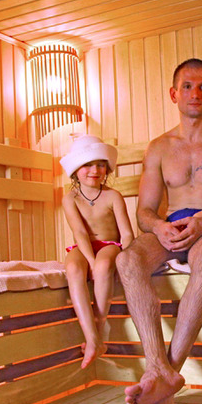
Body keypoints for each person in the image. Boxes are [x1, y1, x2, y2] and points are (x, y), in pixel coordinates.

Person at [116, 58, 202, 404]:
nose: (195, 93)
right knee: (127, 259)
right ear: (174, 94)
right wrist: (159, 226)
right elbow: (144, 212)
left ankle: (163, 378)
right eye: (187, 86)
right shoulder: (159, 148)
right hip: (173, 226)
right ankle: (158, 368)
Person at [60, 135, 135, 369]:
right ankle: (91, 337)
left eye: (101, 165)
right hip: (84, 246)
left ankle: (99, 329)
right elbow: (80, 233)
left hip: (109, 245)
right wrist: (89, 261)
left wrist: (128, 256)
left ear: (107, 170)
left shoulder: (113, 196)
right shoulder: (70, 199)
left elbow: (126, 233)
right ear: (75, 170)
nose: (95, 170)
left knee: (103, 266)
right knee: (73, 267)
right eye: (88, 165)